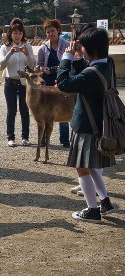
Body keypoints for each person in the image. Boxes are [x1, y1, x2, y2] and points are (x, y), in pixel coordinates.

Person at [56, 25, 116, 223]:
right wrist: (79, 59)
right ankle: (105, 200)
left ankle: (92, 209)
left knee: (82, 167)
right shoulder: (108, 64)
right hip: (100, 123)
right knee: (92, 166)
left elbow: (64, 84)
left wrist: (66, 59)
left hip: (86, 126)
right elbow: (88, 74)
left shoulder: (91, 73)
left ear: (90, 48)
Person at [0, 18, 35, 147]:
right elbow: (1, 66)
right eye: (15, 33)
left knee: (25, 110)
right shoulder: (5, 47)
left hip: (24, 82)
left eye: (20, 33)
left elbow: (32, 66)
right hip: (10, 82)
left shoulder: (27, 46)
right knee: (11, 111)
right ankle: (11, 137)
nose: (17, 36)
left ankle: (25, 137)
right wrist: (9, 54)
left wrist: (27, 54)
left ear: (23, 34)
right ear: (10, 34)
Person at [37, 19, 70, 148]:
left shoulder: (67, 45)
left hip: (63, 81)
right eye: (48, 31)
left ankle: (65, 140)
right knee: (45, 110)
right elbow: (38, 65)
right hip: (47, 82)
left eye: (53, 31)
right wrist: (42, 69)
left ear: (58, 31)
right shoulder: (42, 48)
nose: (50, 33)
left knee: (63, 108)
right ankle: (45, 139)